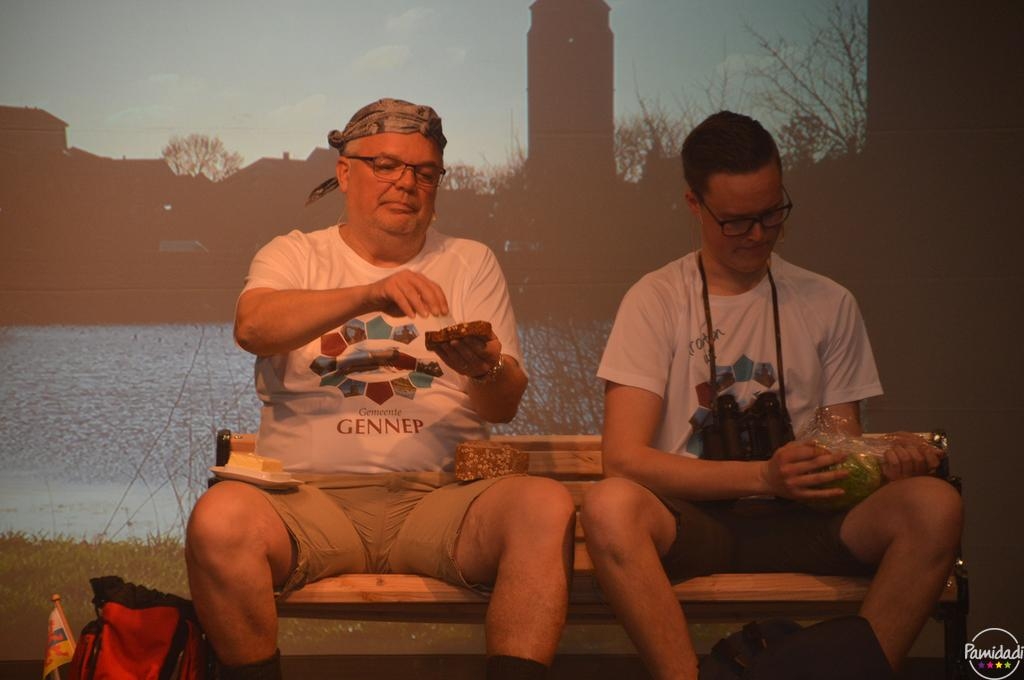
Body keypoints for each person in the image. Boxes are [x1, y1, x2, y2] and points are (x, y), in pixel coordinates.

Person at [185, 98, 575, 680]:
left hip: (438, 501)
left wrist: (486, 368)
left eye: (425, 172)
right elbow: (253, 328)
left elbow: (502, 406)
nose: (406, 183)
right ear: (345, 172)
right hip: (305, 501)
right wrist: (369, 293)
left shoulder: (470, 262)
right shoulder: (294, 253)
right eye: (386, 165)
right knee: (219, 519)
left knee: (544, 505)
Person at [580, 111, 963, 679]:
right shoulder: (655, 299)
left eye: (771, 214)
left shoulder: (828, 302)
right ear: (694, 205)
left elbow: (842, 447)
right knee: (609, 506)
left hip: (806, 516)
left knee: (934, 506)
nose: (758, 235)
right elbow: (623, 460)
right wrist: (763, 476)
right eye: (737, 222)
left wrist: (884, 464)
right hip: (697, 519)